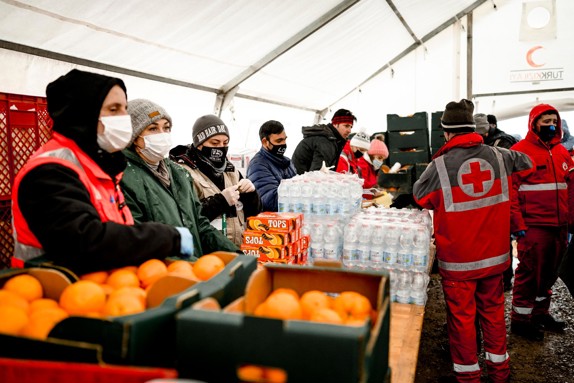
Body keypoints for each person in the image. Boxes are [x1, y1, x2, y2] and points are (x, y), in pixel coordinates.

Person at [10, 69, 194, 275]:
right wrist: (166, 237)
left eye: (124, 108)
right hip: (53, 294)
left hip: (108, 289)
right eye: (113, 109)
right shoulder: (49, 173)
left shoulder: (102, 169)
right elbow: (84, 241)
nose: (124, 118)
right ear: (83, 115)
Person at [412, 99, 533, 382]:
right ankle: (500, 372)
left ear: (447, 133)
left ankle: (469, 377)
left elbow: (420, 197)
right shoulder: (501, 156)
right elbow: (527, 162)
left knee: (462, 320)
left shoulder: (439, 166)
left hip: (458, 262)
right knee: (493, 314)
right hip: (496, 259)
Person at [120, 99, 240, 258]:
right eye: (153, 128)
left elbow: (201, 225)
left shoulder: (179, 173)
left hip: (194, 269)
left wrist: (236, 255)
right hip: (163, 273)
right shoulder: (124, 177)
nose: (162, 134)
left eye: (166, 128)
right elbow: (139, 239)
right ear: (134, 136)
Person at [509, 104, 574, 341]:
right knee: (528, 273)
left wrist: (570, 222)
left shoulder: (561, 152)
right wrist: (518, 225)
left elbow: (570, 187)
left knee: (549, 274)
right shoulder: (520, 153)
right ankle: (520, 321)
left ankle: (539, 314)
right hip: (533, 227)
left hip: (559, 227)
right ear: (534, 123)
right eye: (545, 120)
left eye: (553, 120)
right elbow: (511, 193)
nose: (551, 125)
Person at [169, 114, 262, 246]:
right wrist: (220, 201)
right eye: (214, 143)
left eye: (225, 143)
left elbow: (253, 213)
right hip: (207, 256)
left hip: (237, 250)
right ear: (199, 144)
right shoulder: (183, 172)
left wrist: (251, 195)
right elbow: (185, 218)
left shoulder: (230, 170)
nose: (220, 148)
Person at [475, 113, 515, 291]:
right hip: (485, 197)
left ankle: (505, 280)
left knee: (501, 241)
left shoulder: (503, 142)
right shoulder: (487, 142)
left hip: (500, 198)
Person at [246, 120, 296, 212]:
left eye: (285, 139)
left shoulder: (287, 162)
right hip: (270, 223)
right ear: (265, 142)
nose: (283, 144)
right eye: (279, 141)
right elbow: (270, 202)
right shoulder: (258, 165)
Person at [291, 108, 356, 174]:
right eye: (346, 126)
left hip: (300, 180)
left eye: (351, 127)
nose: (349, 130)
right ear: (335, 124)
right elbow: (318, 174)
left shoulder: (332, 140)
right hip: (301, 181)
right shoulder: (325, 141)